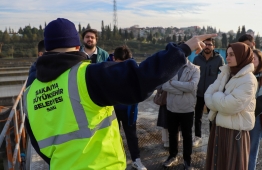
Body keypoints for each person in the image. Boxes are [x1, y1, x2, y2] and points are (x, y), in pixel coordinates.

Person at [23, 18, 216, 170]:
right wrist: (183, 48)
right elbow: (141, 77)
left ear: (46, 49)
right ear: (76, 46)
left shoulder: (30, 91)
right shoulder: (86, 75)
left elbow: (36, 141)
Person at [204, 42, 257, 170]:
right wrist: (220, 100)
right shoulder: (226, 73)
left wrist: (217, 97)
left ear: (242, 56)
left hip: (234, 133)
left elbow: (229, 106)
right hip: (218, 129)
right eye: (227, 54)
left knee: (230, 164)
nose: (227, 58)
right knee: (216, 164)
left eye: (232, 55)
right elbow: (207, 95)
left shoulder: (248, 80)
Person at [162, 51, 200, 170]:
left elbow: (192, 86)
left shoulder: (195, 69)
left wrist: (172, 83)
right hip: (171, 107)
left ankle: (187, 160)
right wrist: (182, 89)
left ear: (188, 53)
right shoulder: (169, 68)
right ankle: (172, 156)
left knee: (187, 135)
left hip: (187, 108)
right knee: (172, 134)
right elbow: (164, 86)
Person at [112, 45, 147, 170]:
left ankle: (136, 160)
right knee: (113, 137)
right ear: (114, 59)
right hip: (112, 112)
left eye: (125, 64)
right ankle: (115, 161)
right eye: (119, 63)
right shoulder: (107, 71)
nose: (122, 67)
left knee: (132, 136)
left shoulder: (133, 72)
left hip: (129, 111)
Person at [192, 38, 224, 147]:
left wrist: (220, 90)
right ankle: (197, 137)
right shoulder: (197, 59)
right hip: (199, 93)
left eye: (209, 44)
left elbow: (224, 75)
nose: (207, 46)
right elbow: (193, 74)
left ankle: (213, 138)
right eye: (205, 44)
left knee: (212, 117)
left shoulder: (219, 59)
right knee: (198, 116)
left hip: (212, 94)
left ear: (213, 47)